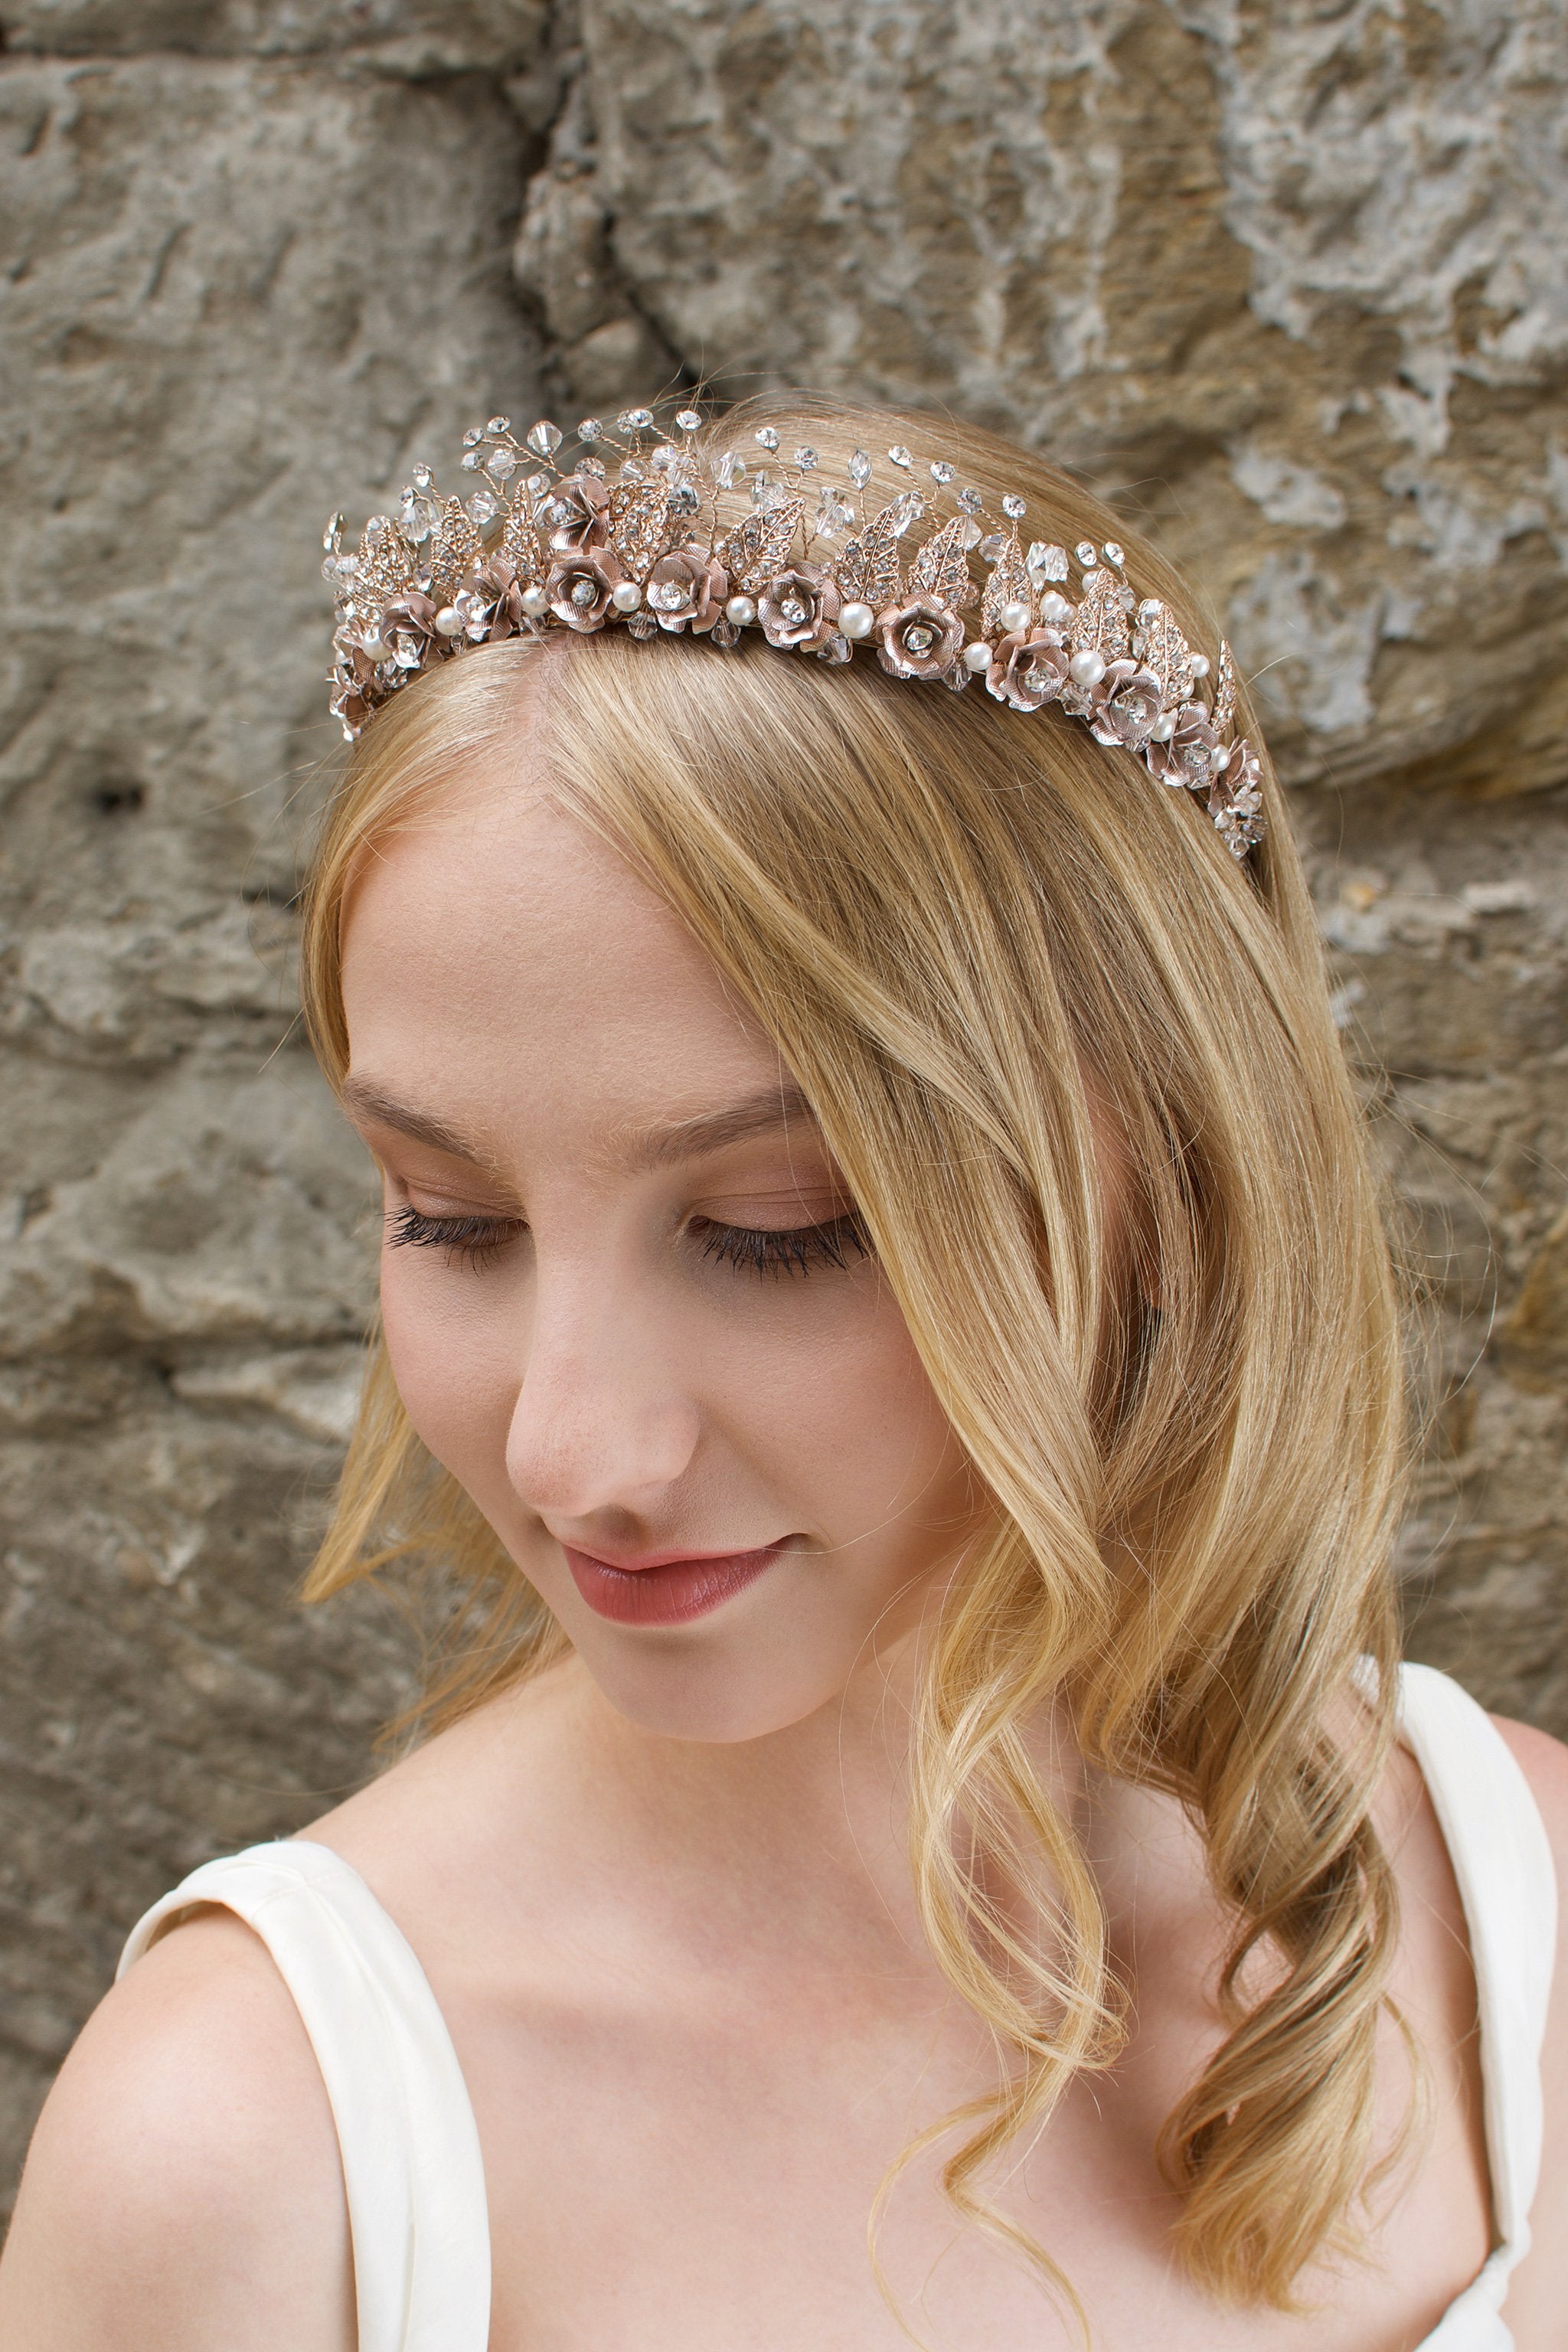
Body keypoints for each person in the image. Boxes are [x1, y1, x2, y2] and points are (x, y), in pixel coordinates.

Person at [0, 394, 1563, 2352]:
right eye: (447, 1217)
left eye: (774, 1230)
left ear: (1166, 1177)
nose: (577, 1454)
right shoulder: (252, 2152)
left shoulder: (1528, 1924)